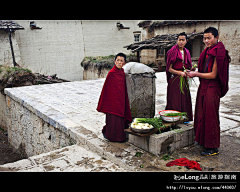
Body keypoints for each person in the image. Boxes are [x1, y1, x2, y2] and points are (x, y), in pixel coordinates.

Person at [187, 27, 231, 156]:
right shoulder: (208, 51)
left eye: (209, 38)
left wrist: (196, 74)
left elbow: (213, 75)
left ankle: (212, 147)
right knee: (201, 113)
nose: (206, 41)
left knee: (211, 116)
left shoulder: (219, 52)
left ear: (216, 37)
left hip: (213, 87)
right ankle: (202, 140)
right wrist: (195, 69)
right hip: (204, 85)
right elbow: (205, 69)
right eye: (204, 38)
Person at [97, 53, 132, 142]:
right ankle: (111, 137)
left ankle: (119, 137)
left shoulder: (122, 73)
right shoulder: (112, 73)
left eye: (121, 61)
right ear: (114, 61)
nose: (119, 62)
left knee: (120, 120)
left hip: (121, 100)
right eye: (118, 60)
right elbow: (108, 90)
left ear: (124, 63)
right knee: (113, 120)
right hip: (112, 102)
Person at [165, 32, 193, 121]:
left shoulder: (187, 52)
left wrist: (189, 70)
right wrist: (179, 73)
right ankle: (173, 118)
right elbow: (169, 69)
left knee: (184, 98)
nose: (181, 42)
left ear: (186, 41)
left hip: (183, 78)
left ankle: (184, 118)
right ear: (177, 40)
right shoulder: (172, 51)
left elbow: (187, 65)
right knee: (174, 99)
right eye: (179, 40)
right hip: (175, 79)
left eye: (183, 40)